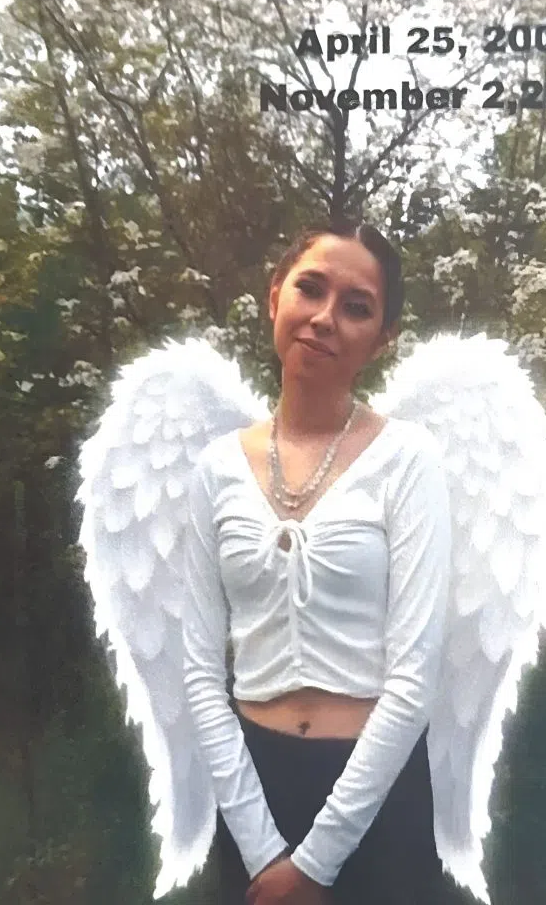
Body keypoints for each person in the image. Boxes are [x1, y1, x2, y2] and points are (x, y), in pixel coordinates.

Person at [181, 220, 453, 905]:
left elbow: (414, 677)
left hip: (376, 800)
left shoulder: (407, 460)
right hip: (252, 792)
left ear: (382, 338)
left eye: (356, 306)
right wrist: (260, 847)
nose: (326, 317)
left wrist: (314, 863)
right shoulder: (214, 469)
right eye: (310, 288)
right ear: (275, 296)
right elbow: (200, 671)